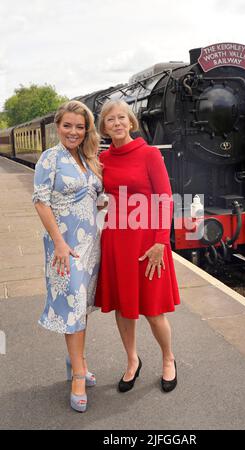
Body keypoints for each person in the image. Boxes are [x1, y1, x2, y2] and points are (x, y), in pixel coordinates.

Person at [95, 99, 180, 393]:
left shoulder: (149, 155)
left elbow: (165, 199)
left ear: (131, 122)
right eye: (110, 120)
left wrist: (161, 242)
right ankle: (132, 361)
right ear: (104, 128)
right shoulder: (102, 160)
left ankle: (168, 359)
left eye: (121, 118)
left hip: (148, 243)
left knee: (154, 310)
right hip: (116, 241)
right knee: (124, 308)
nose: (117, 123)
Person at [32, 100, 102, 412]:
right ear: (58, 127)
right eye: (67, 126)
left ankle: (77, 360)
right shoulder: (51, 158)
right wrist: (59, 243)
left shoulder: (87, 158)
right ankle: (77, 375)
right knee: (72, 306)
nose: (73, 132)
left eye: (79, 126)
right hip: (65, 248)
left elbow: (92, 197)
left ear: (87, 129)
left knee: (81, 307)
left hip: (90, 247)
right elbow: (40, 202)